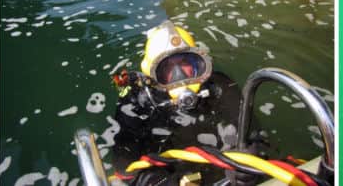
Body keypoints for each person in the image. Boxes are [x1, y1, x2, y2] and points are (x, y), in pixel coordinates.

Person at [111, 20, 266, 185]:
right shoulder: (136, 102)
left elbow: (253, 135)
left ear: (200, 64)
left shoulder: (219, 86)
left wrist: (246, 162)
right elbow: (125, 166)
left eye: (185, 63)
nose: (179, 74)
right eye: (167, 69)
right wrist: (156, 181)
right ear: (150, 75)